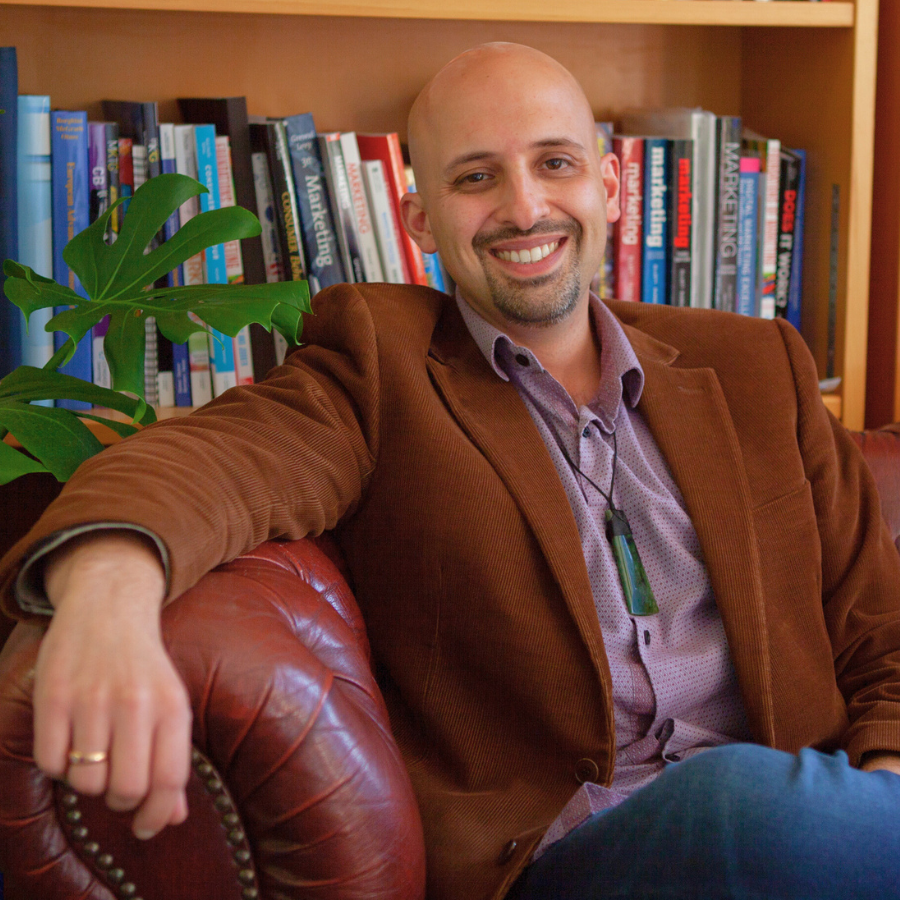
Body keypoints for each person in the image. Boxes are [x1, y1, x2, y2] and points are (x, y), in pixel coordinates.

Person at [2, 42, 900, 900]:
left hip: (809, 828)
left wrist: (875, 814)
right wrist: (107, 589)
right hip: (573, 854)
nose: (523, 208)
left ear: (611, 186)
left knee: (767, 809)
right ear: (419, 218)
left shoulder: (754, 366)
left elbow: (880, 637)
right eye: (476, 176)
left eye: (555, 163)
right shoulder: (380, 367)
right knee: (737, 804)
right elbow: (217, 457)